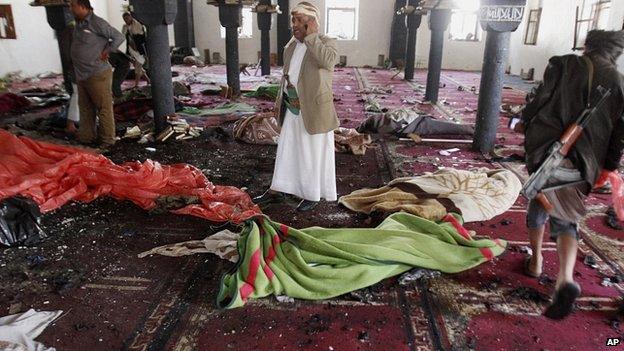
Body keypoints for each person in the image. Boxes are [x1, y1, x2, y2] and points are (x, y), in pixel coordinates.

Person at [518, 30, 624, 320]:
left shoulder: (562, 64)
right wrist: (609, 167)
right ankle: (565, 278)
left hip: (547, 148)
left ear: (587, 46)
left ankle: (537, 261)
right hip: (585, 160)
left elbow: (539, 100)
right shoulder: (619, 82)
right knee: (567, 217)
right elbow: (619, 132)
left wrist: (523, 121)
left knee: (540, 195)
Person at [253, 1, 340, 212]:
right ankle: (280, 189)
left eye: (299, 20)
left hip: (313, 108)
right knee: (288, 148)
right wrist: (280, 101)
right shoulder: (292, 45)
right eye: (293, 20)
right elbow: (287, 75)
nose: (294, 24)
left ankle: (312, 194)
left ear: (312, 23)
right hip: (292, 105)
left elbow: (328, 61)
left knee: (310, 151)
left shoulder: (326, 42)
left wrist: (312, 37)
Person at [69, 0, 124, 148]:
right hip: (82, 74)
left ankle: (107, 140)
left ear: (82, 6)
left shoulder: (97, 22)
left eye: (73, 5)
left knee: (103, 107)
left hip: (97, 73)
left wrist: (107, 51)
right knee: (85, 107)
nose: (71, 8)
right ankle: (86, 137)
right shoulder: (79, 24)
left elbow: (118, 37)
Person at [121, 12, 149, 87]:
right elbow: (122, 36)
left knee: (138, 67)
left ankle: (136, 85)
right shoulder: (125, 27)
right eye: (124, 19)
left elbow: (140, 36)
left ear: (130, 17)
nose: (126, 20)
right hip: (131, 49)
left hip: (139, 49)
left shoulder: (137, 24)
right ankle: (148, 80)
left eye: (127, 18)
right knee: (138, 67)